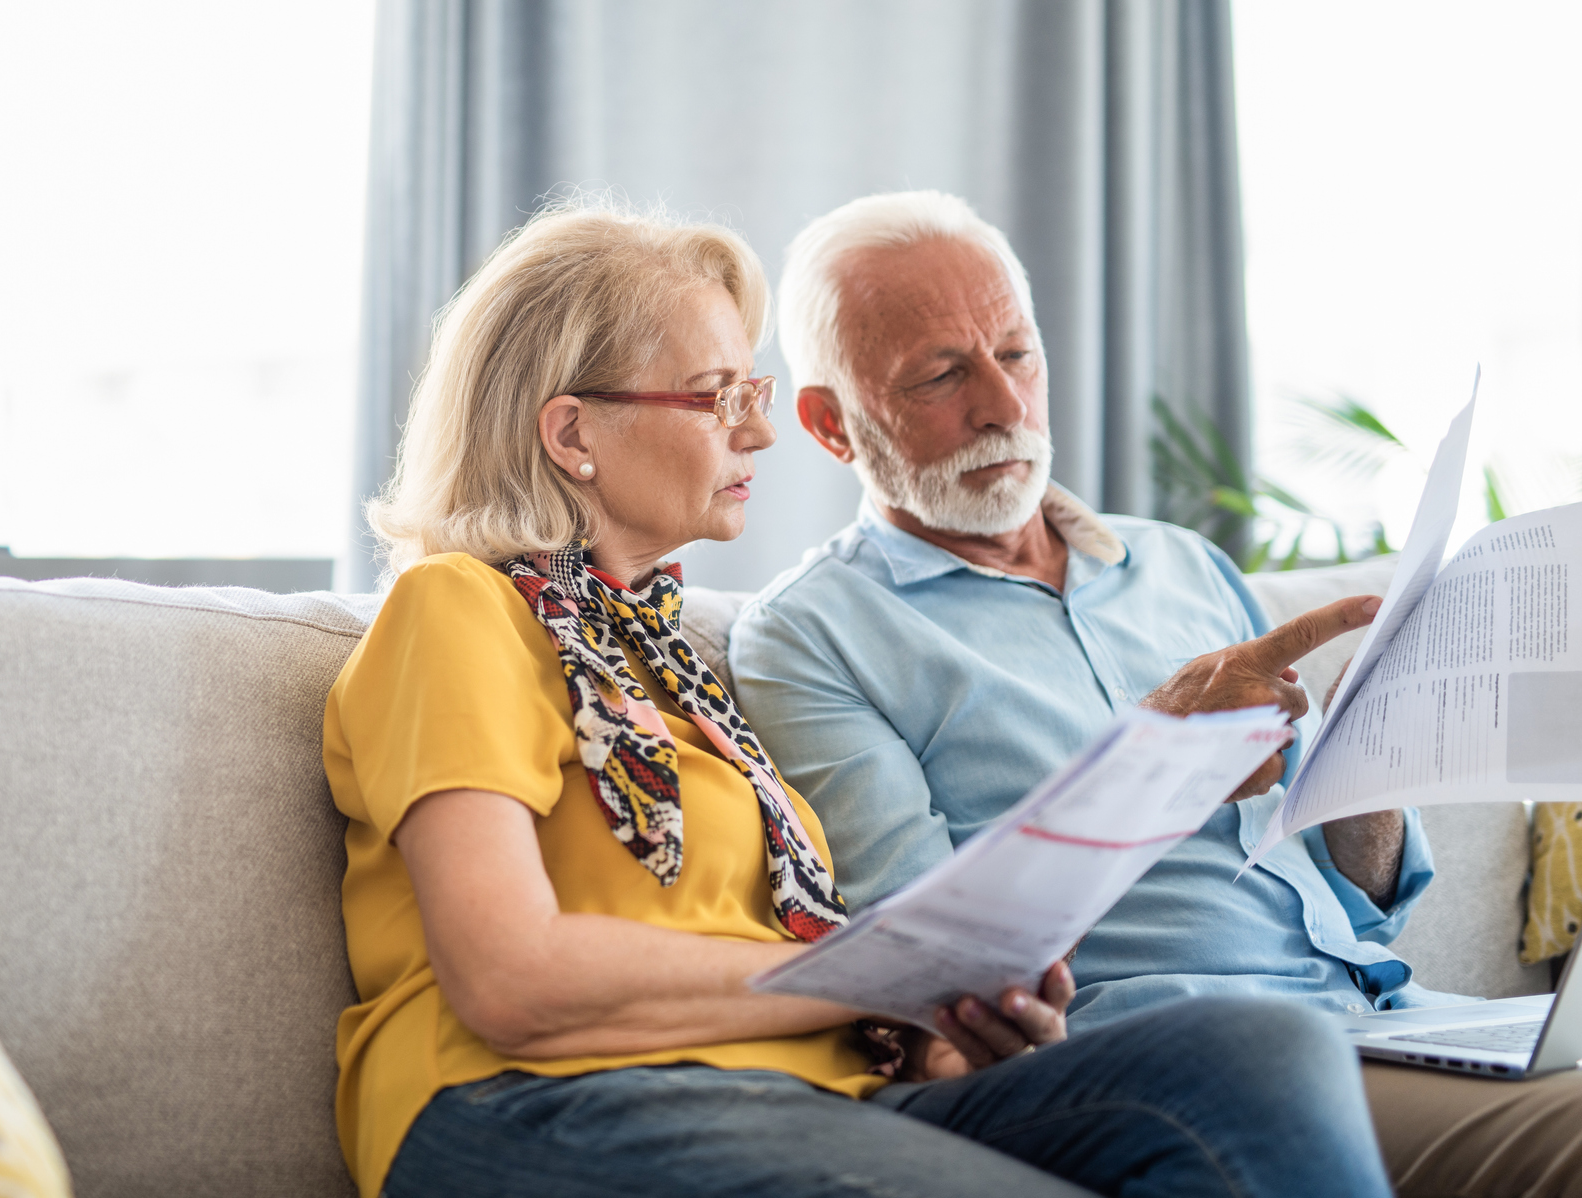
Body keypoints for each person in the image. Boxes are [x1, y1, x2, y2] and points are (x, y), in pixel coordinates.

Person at [325, 199, 1389, 1198]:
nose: (758, 434)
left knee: (1256, 1048)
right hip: (523, 1094)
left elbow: (783, 938)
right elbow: (509, 976)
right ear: (571, 436)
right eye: (718, 398)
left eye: (754, 394)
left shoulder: (676, 667)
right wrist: (885, 980)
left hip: (805, 1086)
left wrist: (943, 1024)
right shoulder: (457, 608)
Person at [731, 187, 1582, 1196]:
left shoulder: (1180, 566)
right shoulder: (811, 632)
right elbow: (929, 960)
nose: (1001, 405)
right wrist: (1153, 763)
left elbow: (1359, 908)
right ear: (832, 425)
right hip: (1166, 1048)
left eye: (1016, 353)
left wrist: (1374, 759)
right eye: (941, 374)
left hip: (1389, 1017)